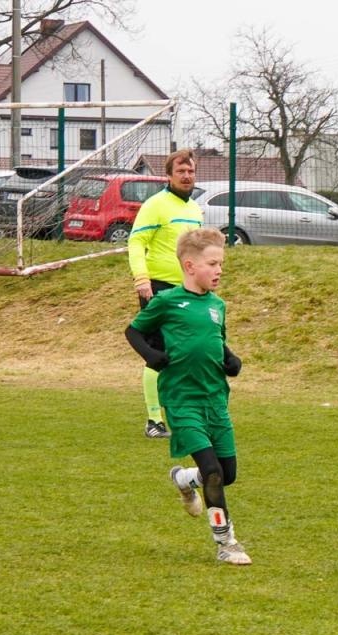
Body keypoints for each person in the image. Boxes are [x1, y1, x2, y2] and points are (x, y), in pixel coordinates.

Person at [125, 227, 251, 566]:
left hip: (215, 399)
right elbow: (134, 331)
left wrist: (231, 359)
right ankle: (226, 543)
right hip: (182, 400)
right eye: (212, 263)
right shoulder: (167, 302)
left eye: (221, 263)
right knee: (211, 470)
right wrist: (152, 357)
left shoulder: (218, 306)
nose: (219, 270)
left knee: (228, 473)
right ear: (189, 265)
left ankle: (183, 479)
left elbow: (213, 339)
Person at [127, 148, 204, 439]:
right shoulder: (155, 205)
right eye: (181, 172)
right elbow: (136, 242)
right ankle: (154, 420)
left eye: (191, 171)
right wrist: (142, 279)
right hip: (158, 287)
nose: (187, 176)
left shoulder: (195, 209)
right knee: (157, 352)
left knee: (188, 352)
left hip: (188, 289)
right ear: (169, 176)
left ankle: (185, 413)